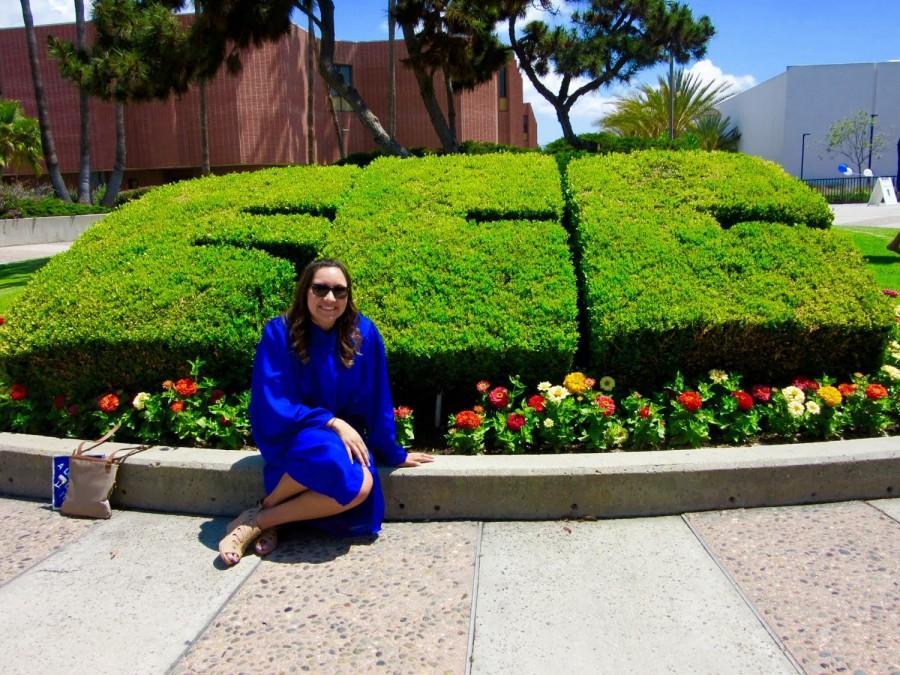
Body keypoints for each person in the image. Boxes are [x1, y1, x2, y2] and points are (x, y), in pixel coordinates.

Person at [219, 259, 434, 565]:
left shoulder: (364, 334)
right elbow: (272, 400)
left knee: (360, 486)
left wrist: (393, 452)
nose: (330, 299)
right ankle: (263, 521)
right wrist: (330, 421)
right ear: (305, 291)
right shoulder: (279, 334)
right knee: (325, 453)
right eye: (320, 289)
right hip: (295, 431)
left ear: (348, 296)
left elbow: (378, 397)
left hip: (345, 436)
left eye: (339, 291)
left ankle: (261, 517)